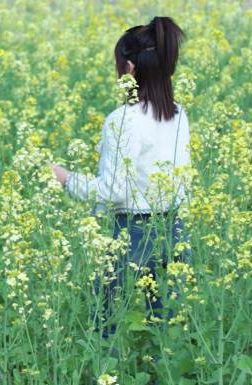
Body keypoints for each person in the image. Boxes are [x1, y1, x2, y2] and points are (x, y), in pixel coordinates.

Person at [50, 16, 193, 342]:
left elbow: (114, 191)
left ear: (129, 68)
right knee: (166, 331)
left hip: (134, 236)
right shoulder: (178, 114)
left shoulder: (122, 120)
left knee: (107, 324)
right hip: (173, 230)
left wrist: (65, 178)